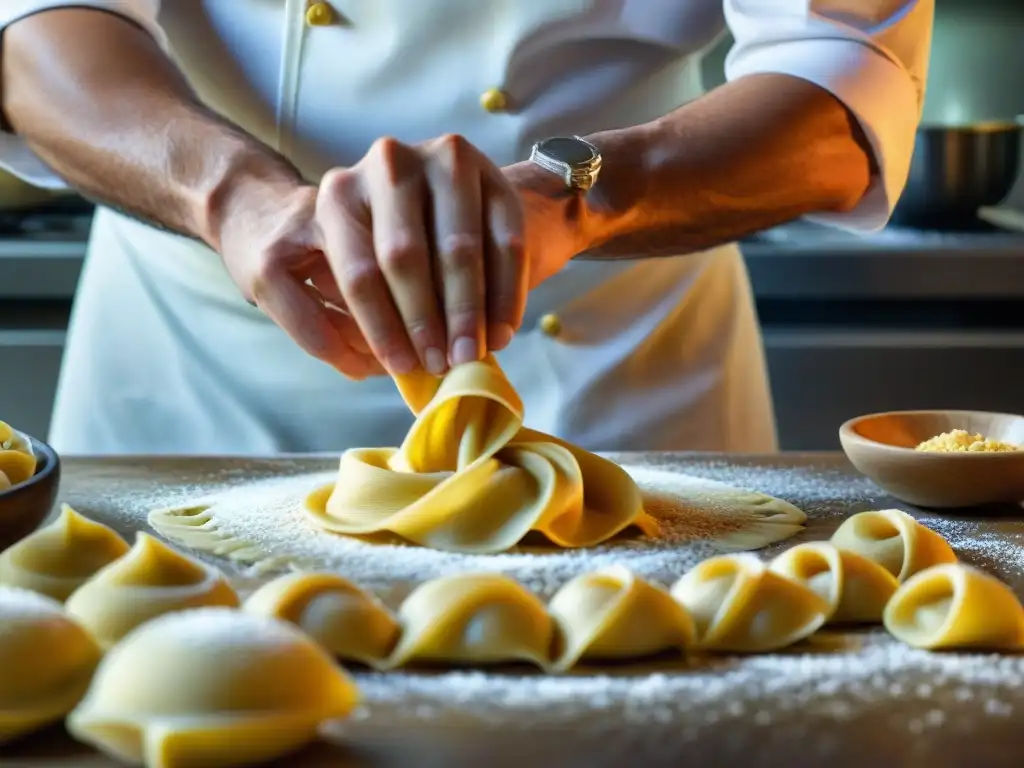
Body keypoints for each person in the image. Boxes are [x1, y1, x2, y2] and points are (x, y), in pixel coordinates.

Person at [0, 1, 932, 456]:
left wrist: (568, 196)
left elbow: (842, 85)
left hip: (606, 369)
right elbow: (39, 30)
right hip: (190, 370)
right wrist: (234, 197)